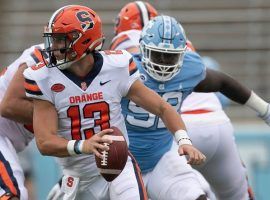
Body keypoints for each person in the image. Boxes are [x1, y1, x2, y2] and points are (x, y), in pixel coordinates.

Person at [23, 5, 205, 200]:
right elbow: (45, 142)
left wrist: (184, 140)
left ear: (83, 41)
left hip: (119, 167)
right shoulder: (43, 77)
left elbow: (162, 107)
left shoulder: (117, 67)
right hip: (76, 177)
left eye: (61, 40)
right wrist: (84, 145)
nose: (53, 48)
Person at [117, 13, 269, 200]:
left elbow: (223, 83)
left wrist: (265, 110)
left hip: (162, 156)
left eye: (170, 57)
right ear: (142, 49)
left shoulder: (190, 68)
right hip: (121, 161)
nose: (163, 63)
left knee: (196, 196)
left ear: (182, 54)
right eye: (158, 55)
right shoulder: (122, 68)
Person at [0, 44, 44, 200]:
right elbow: (8, 106)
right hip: (3, 134)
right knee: (12, 192)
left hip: (11, 140)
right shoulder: (41, 57)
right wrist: (55, 114)